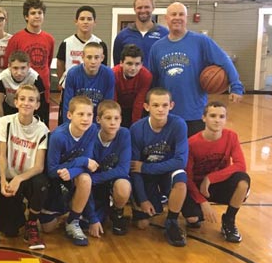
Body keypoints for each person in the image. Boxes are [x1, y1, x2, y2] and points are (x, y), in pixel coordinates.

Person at [148, 2, 243, 137]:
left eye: (181, 14)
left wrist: (236, 86)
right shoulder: (157, 47)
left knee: (195, 154)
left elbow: (224, 60)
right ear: (166, 18)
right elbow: (153, 80)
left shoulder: (201, 41)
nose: (177, 17)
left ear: (186, 18)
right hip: (167, 113)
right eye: (173, 14)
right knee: (171, 154)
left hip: (194, 112)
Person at [181, 101, 249, 243]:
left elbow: (240, 165)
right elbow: (187, 177)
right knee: (193, 219)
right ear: (204, 118)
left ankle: (229, 221)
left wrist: (210, 178)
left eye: (221, 116)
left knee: (243, 182)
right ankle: (196, 213)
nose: (217, 120)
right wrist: (202, 201)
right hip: (195, 187)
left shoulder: (232, 137)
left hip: (217, 184)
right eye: (212, 116)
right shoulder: (192, 143)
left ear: (225, 119)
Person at [130, 88, 189, 247]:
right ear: (146, 107)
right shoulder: (136, 129)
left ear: (171, 105)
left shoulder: (178, 124)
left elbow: (180, 161)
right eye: (155, 105)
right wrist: (142, 200)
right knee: (143, 224)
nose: (160, 109)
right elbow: (134, 169)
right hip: (146, 177)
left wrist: (147, 168)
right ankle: (146, 201)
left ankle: (172, 221)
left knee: (181, 178)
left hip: (164, 172)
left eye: (164, 105)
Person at [0, 84, 49, 250]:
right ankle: (18, 208)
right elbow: (2, 155)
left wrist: (19, 178)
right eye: (23, 99)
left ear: (37, 105)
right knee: (9, 231)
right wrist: (4, 180)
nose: (27, 103)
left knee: (41, 183)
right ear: (16, 102)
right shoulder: (5, 122)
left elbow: (39, 166)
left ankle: (32, 223)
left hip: (28, 178)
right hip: (9, 177)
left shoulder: (42, 129)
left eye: (31, 100)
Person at [44, 96, 97, 246]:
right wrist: (82, 161)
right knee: (48, 228)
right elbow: (52, 170)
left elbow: (88, 162)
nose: (85, 119)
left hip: (72, 173)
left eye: (89, 115)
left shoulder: (92, 129)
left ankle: (73, 220)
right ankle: (65, 211)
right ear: (69, 115)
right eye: (80, 114)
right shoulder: (58, 136)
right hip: (54, 178)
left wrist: (72, 171)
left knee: (86, 179)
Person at [88, 100, 132, 236]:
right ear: (98, 119)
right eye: (108, 118)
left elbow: (123, 169)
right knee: (87, 221)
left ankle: (118, 213)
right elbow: (86, 174)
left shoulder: (124, 134)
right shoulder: (90, 135)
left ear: (121, 120)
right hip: (95, 184)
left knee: (123, 186)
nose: (113, 122)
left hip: (106, 178)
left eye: (116, 118)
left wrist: (95, 179)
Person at [4, 0, 55, 104]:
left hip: (43, 91)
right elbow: (7, 65)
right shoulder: (16, 39)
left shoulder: (50, 39)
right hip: (22, 91)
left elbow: (48, 63)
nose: (37, 16)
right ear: (26, 16)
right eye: (33, 13)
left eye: (39, 13)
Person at [61, 42, 115, 123]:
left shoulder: (108, 74)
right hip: (78, 121)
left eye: (96, 57)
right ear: (82, 57)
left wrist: (100, 129)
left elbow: (107, 105)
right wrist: (69, 128)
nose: (93, 61)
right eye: (89, 57)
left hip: (98, 122)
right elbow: (68, 105)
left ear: (102, 58)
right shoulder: (73, 73)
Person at [113, 0, 169, 70]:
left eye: (146, 7)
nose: (143, 10)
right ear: (134, 9)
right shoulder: (122, 36)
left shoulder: (164, 34)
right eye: (139, 7)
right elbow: (118, 65)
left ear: (153, 8)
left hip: (157, 81)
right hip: (131, 82)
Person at [56, 5, 108, 86]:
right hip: (71, 86)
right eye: (82, 19)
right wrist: (61, 82)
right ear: (76, 22)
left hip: (92, 85)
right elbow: (60, 64)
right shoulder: (66, 43)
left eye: (89, 19)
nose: (85, 22)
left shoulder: (100, 44)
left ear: (95, 23)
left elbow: (103, 68)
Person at [0, 50, 49, 123]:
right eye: (15, 68)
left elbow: (41, 104)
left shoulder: (35, 78)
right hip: (10, 108)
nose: (19, 73)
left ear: (28, 66)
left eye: (23, 68)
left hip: (28, 109)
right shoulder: (3, 77)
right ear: (9, 66)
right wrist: (3, 122)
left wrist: (37, 122)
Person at [113, 44, 152, 128]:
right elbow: (113, 102)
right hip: (118, 106)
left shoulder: (146, 76)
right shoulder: (113, 74)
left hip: (136, 108)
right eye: (129, 64)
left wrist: (135, 128)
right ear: (121, 63)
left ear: (142, 64)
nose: (133, 68)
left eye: (137, 64)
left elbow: (139, 102)